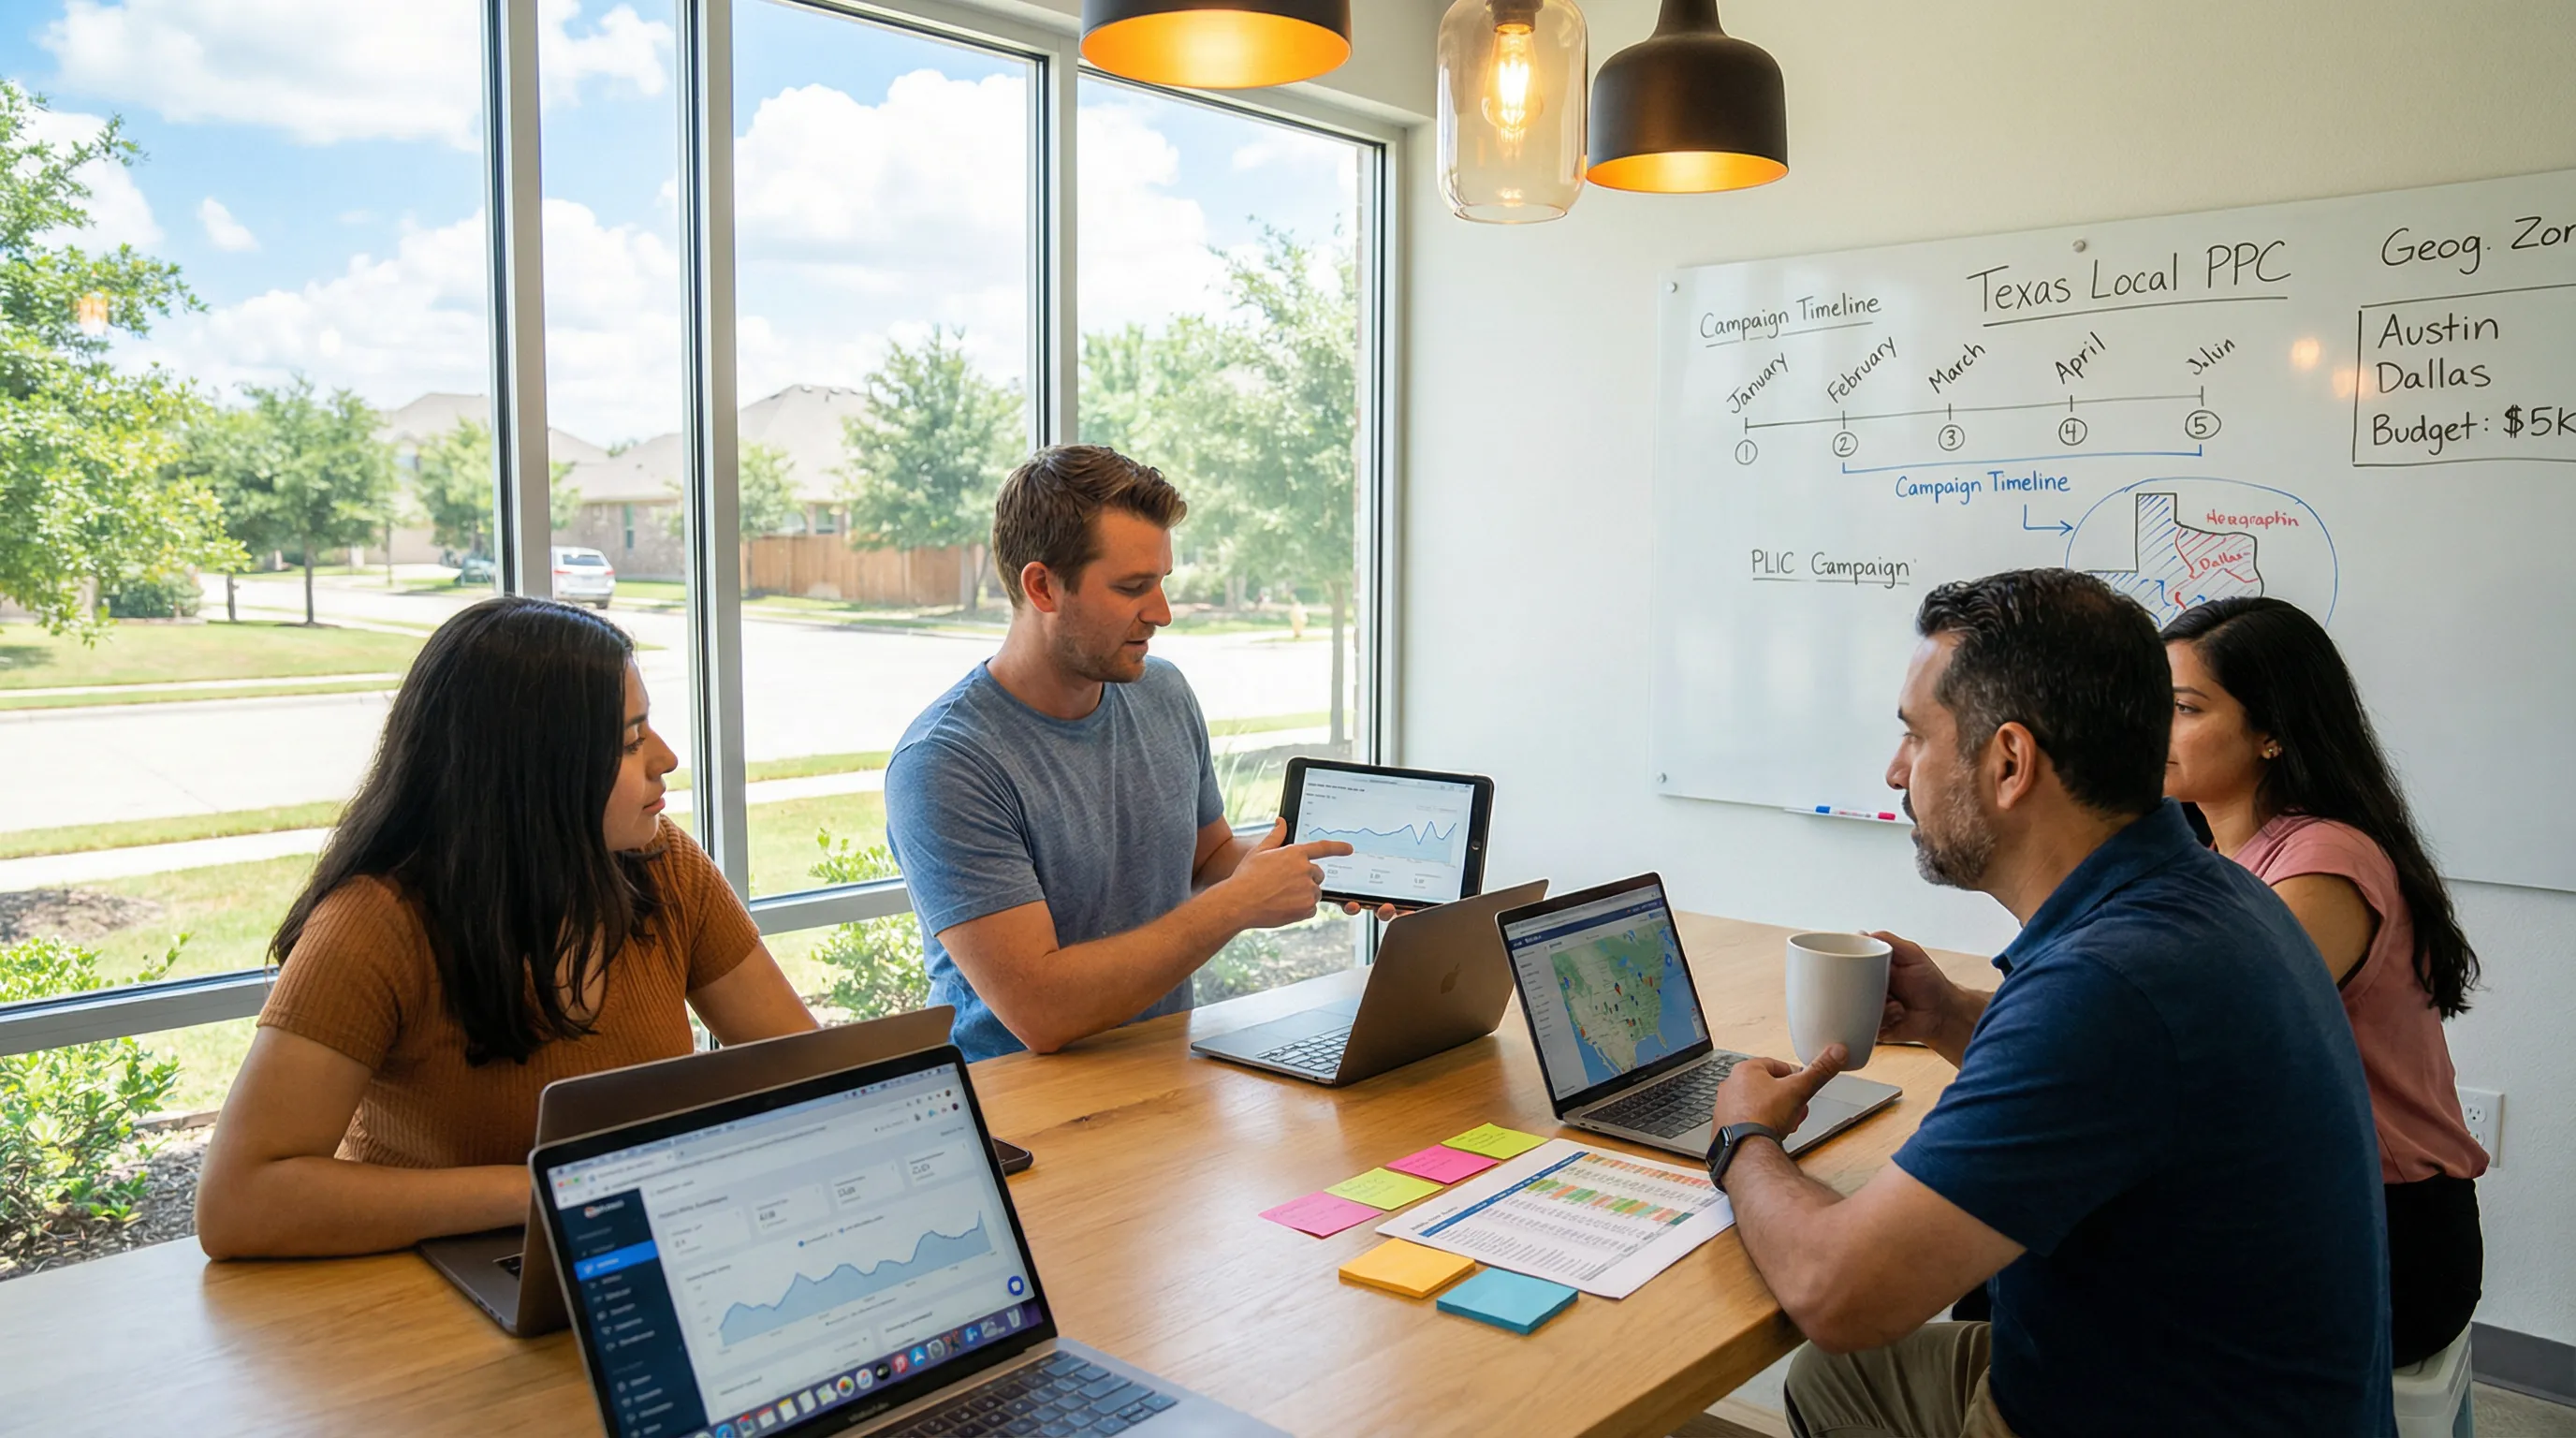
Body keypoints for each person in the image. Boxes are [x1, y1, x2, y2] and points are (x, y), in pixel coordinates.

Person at [1702, 569, 2392, 1437]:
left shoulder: (2109, 985)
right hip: (2215, 1386)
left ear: (2010, 763)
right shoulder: (2208, 891)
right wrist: (1954, 1016)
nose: (1894, 771)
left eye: (1917, 737)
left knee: (1839, 1341)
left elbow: (1839, 1293)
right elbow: (2136, 1085)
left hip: (2150, 1410)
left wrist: (1743, 1138)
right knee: (1841, 1385)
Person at [196, 596, 816, 1258]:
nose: (664, 758)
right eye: (629, 741)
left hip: (626, 1254)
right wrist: (547, 1191)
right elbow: (241, 1202)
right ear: (533, 771)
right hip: (429, 1293)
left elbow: (812, 1072)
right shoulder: (372, 926)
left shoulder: (663, 868)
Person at [886, 445, 1356, 1060]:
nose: (1160, 613)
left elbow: (1208, 855)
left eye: (1161, 582)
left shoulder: (1162, 691)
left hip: (1164, 1071)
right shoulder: (947, 763)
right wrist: (1237, 905)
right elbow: (1042, 1010)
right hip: (1021, 1114)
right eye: (1133, 587)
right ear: (1042, 587)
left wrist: (1342, 867)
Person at [2161, 595, 2486, 1367]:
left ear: (2272, 731)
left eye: (2181, 708)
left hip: (2388, 1235)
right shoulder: (2214, 852)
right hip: (2299, 1203)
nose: (2148, 729)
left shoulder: (2322, 863)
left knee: (2043, 1280)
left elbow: (2191, 1046)